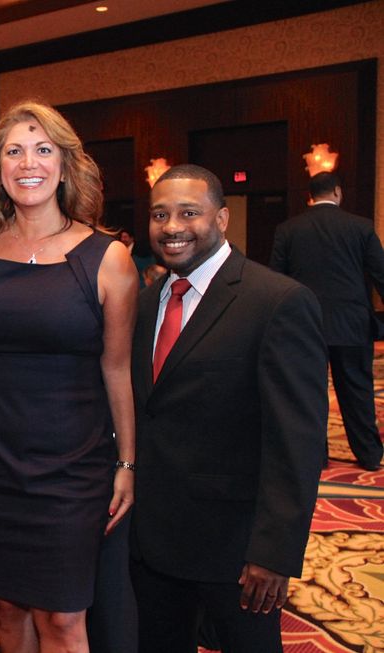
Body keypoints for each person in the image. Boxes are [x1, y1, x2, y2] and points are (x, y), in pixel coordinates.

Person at [0, 101, 138, 652]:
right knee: (7, 610)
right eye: (14, 151)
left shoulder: (108, 259)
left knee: (63, 619)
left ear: (65, 163)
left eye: (42, 149)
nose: (28, 162)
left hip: (70, 470)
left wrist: (127, 463)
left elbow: (118, 367)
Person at [131, 164, 326, 652]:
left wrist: (274, 553)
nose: (172, 226)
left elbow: (296, 442)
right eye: (160, 215)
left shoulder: (277, 301)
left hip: (234, 551)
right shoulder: (145, 300)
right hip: (152, 539)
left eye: (188, 213)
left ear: (221, 220)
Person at [270, 171, 384, 471]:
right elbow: (381, 276)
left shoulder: (288, 229)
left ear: (311, 195)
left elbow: (276, 281)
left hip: (305, 326)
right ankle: (369, 455)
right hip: (352, 324)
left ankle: (315, 456)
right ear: (337, 191)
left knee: (309, 393)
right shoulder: (360, 227)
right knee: (358, 391)